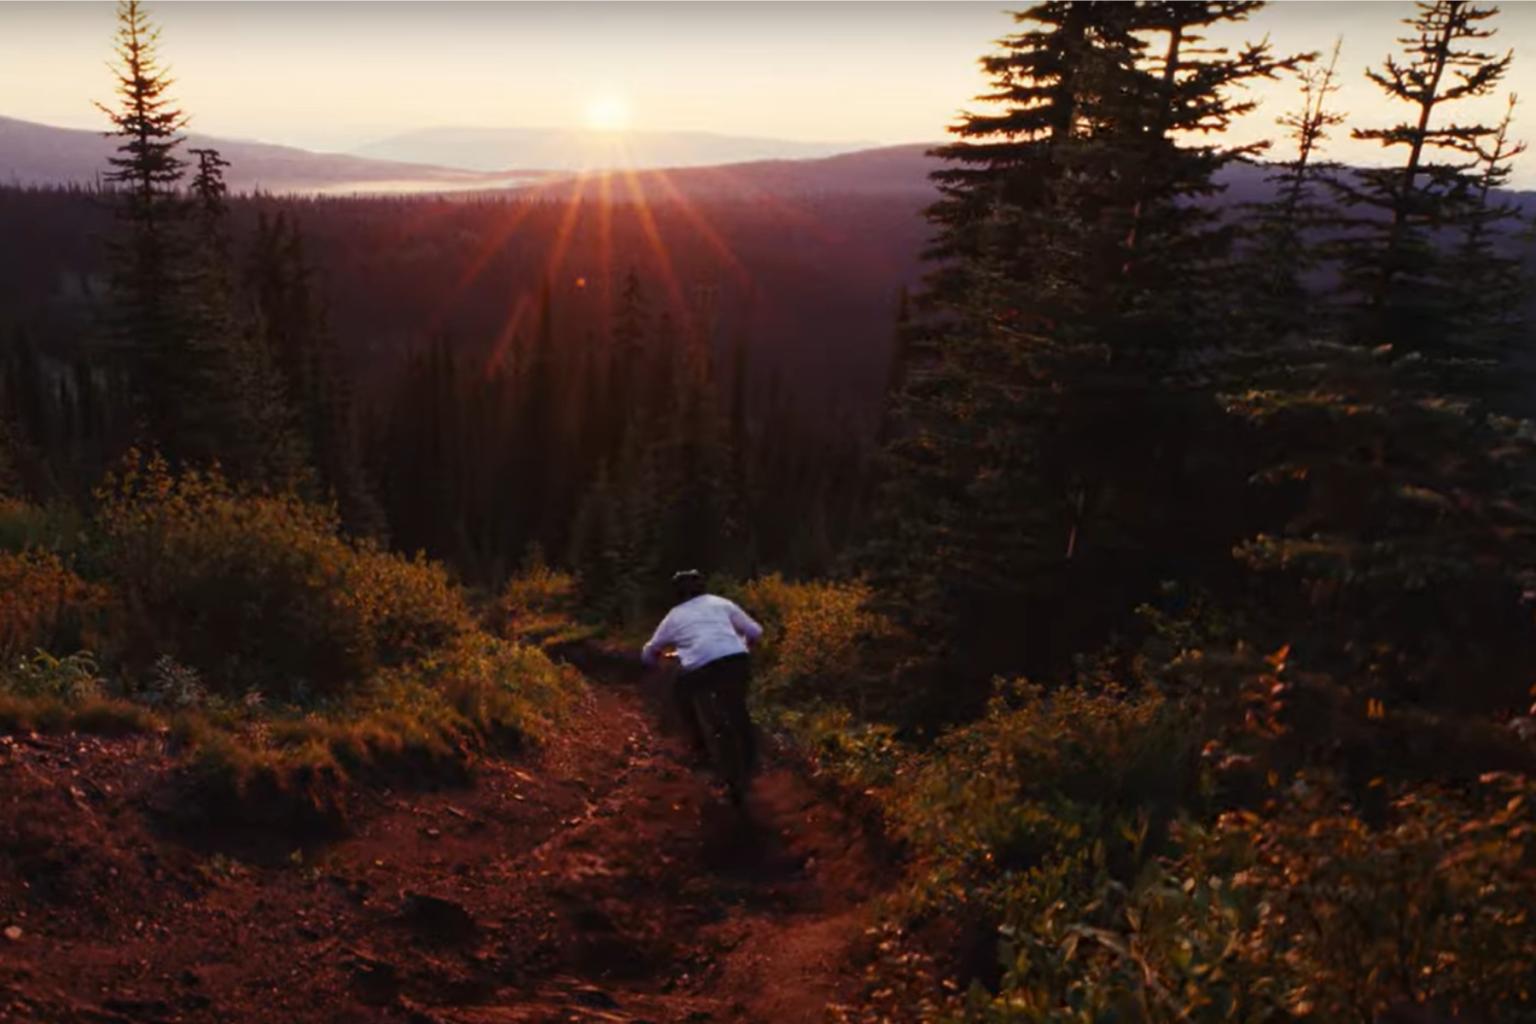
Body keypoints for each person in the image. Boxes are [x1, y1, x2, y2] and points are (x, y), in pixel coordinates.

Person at [641, 570, 763, 773]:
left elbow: (649, 650)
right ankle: (753, 759)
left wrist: (654, 662)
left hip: (700, 668)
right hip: (736, 660)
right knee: (738, 707)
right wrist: (746, 646)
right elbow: (755, 632)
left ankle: (700, 750)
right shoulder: (721, 603)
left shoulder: (674, 616)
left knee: (680, 695)